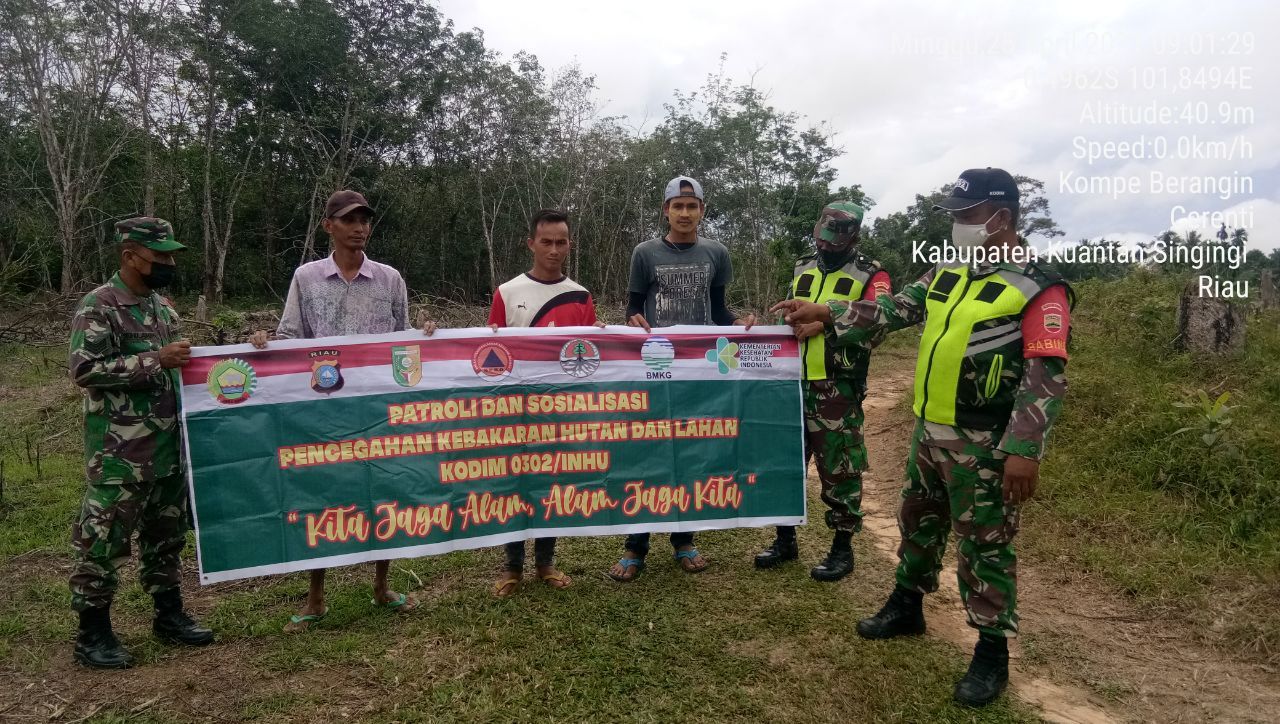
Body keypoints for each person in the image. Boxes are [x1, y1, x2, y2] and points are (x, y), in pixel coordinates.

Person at [771, 168, 1074, 707]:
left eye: (965, 215)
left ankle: (991, 652)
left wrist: (1024, 450)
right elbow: (891, 308)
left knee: (984, 546)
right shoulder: (948, 272)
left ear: (1000, 218)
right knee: (918, 523)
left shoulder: (1039, 289)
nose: (956, 224)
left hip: (983, 442)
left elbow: (1043, 376)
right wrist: (829, 312)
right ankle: (906, 607)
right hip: (928, 431)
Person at [251, 190, 419, 631]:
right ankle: (316, 597)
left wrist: (428, 338)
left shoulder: (390, 279)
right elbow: (291, 337)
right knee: (322, 496)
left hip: (378, 409)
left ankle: (382, 587)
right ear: (329, 226)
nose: (359, 227)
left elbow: (403, 342)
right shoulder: (307, 278)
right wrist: (263, 347)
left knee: (382, 493)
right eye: (349, 220)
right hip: (322, 408)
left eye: (364, 220)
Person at [68, 217, 214, 669]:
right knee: (104, 536)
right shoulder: (99, 306)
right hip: (121, 453)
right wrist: (155, 359)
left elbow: (177, 367)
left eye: (171, 255)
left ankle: (168, 615)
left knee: (165, 535)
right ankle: (92, 633)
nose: (168, 263)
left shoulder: (161, 307)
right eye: (160, 256)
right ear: (130, 256)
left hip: (168, 447)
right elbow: (85, 369)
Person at [608, 176, 755, 582]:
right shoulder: (644, 253)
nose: (685, 213)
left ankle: (684, 540)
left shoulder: (717, 253)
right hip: (654, 368)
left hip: (699, 371)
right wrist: (633, 322)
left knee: (688, 453)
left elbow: (720, 312)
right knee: (647, 452)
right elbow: (633, 310)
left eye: (693, 207)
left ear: (702, 211)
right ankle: (635, 546)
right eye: (678, 206)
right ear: (666, 210)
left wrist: (741, 323)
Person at [754, 201, 891, 582]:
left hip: (837, 387)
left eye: (836, 241)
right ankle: (785, 540)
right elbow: (791, 311)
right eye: (822, 239)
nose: (827, 247)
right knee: (784, 463)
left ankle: (842, 550)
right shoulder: (802, 265)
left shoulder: (871, 274)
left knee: (839, 470)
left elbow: (880, 324)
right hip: (791, 383)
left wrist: (827, 325)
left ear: (855, 238)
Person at [486, 209, 603, 597]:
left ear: (570, 244)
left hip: (561, 411)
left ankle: (546, 562)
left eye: (562, 242)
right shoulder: (507, 292)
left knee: (553, 480)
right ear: (531, 243)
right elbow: (491, 351)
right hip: (515, 409)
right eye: (547, 241)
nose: (554, 250)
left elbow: (590, 356)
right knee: (517, 482)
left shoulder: (582, 296)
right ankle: (512, 566)